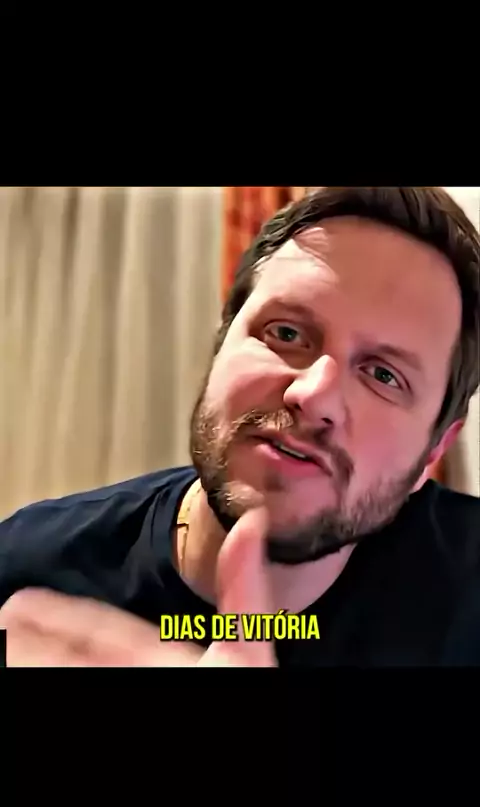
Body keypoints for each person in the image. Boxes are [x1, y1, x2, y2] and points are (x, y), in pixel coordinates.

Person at [1, 186, 479, 667]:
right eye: (286, 333)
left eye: (383, 376)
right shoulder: (25, 572)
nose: (312, 396)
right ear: (221, 343)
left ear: (434, 451)